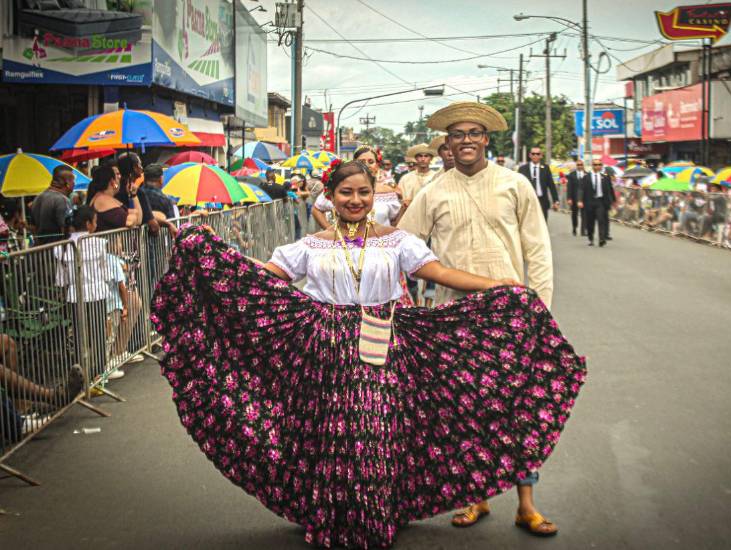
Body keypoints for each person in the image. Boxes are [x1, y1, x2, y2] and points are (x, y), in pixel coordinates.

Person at [151, 159, 586, 550]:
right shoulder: (308, 246)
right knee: (332, 436)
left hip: (384, 345)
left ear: (373, 195)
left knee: (374, 432)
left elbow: (439, 273)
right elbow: (255, 279)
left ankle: (375, 516)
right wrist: (205, 247)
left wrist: (500, 288)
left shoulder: (397, 242)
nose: (355, 200)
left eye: (363, 192)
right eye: (346, 192)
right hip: (325, 351)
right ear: (331, 197)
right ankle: (331, 517)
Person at [398, 101, 560, 536]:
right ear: (447, 143)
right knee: (464, 409)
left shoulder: (515, 184)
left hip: (511, 312)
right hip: (456, 314)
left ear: (486, 139)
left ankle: (527, 504)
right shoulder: (434, 190)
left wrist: (540, 308)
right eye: (457, 134)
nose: (466, 140)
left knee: (519, 408)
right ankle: (475, 498)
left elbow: (537, 249)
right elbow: (405, 245)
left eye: (474, 133)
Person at [54, 206, 117, 380]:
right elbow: (106, 273)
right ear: (88, 224)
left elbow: (62, 280)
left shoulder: (62, 247)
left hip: (74, 295)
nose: (96, 225)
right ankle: (98, 374)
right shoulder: (98, 243)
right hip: (96, 293)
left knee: (80, 335)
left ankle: (81, 374)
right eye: (95, 221)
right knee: (98, 334)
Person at [312, 146, 405, 230]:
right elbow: (317, 209)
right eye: (362, 162)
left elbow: (394, 221)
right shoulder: (341, 188)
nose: (367, 165)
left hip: (380, 245)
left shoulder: (388, 191)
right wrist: (331, 232)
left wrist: (403, 207)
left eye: (371, 162)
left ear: (377, 165)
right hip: (345, 245)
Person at [87, 164, 143, 232]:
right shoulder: (102, 199)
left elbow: (139, 219)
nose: (119, 180)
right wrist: (134, 215)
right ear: (112, 182)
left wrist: (133, 195)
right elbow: (129, 222)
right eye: (117, 177)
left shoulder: (105, 198)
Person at [31, 165, 75, 245]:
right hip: (57, 250)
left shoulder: (37, 198)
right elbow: (67, 229)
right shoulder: (63, 200)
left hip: (39, 250)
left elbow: (33, 228)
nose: (74, 183)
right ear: (68, 183)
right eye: (73, 180)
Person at [517, 147, 559, 220]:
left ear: (541, 155)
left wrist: (556, 201)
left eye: (537, 154)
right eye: (533, 154)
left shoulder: (545, 168)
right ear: (530, 155)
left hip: (542, 201)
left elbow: (551, 185)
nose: (535, 156)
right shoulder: (522, 169)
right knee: (528, 224)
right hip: (527, 201)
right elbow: (518, 186)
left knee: (542, 224)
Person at [581, 158, 616, 247]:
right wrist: (579, 200)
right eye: (595, 164)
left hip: (601, 201)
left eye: (599, 164)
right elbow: (581, 190)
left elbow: (610, 189)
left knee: (601, 220)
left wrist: (613, 200)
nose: (598, 166)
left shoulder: (605, 177)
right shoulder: (586, 177)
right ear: (592, 166)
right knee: (590, 221)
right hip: (589, 202)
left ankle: (602, 239)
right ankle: (591, 238)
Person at [141, 164, 179, 235]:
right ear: (161, 179)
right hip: (161, 242)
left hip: (137, 242)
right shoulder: (165, 200)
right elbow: (172, 222)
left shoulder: (136, 195)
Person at [567, 159, 587, 236]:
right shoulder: (572, 175)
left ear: (583, 165)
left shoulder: (587, 174)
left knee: (584, 214)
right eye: (578, 165)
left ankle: (583, 230)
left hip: (584, 198)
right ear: (576, 166)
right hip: (574, 198)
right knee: (574, 214)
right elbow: (569, 187)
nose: (580, 166)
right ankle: (574, 227)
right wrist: (569, 198)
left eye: (581, 165)